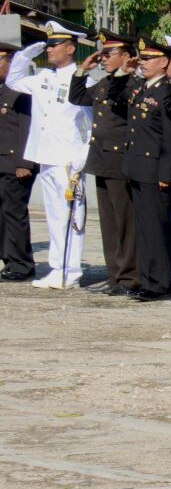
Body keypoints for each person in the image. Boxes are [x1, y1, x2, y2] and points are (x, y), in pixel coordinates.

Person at [6, 22, 92, 289]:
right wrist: (25, 55)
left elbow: (90, 124)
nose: (50, 49)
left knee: (71, 216)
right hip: (46, 154)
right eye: (49, 45)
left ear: (70, 48)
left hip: (68, 156)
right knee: (54, 215)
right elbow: (14, 80)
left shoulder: (82, 80)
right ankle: (57, 267)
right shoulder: (44, 77)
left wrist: (82, 156)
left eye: (55, 45)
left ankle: (71, 270)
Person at [70, 30, 138, 296]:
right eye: (103, 54)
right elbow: (76, 97)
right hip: (100, 159)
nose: (104, 59)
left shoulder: (131, 84)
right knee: (109, 224)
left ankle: (130, 276)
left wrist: (121, 75)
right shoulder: (104, 83)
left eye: (110, 54)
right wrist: (81, 71)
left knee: (125, 223)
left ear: (126, 57)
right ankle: (115, 274)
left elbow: (121, 98)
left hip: (120, 160)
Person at [122, 38, 171, 301]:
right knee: (144, 228)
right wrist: (128, 70)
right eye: (142, 59)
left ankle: (159, 282)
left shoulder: (166, 91)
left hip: (155, 170)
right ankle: (148, 278)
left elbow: (169, 137)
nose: (142, 64)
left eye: (148, 60)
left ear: (164, 62)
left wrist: (166, 174)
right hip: (138, 167)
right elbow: (116, 92)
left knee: (156, 228)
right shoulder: (142, 87)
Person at [0, 43, 35, 282]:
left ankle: (21, 263)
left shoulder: (20, 91)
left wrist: (25, 162)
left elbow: (28, 127)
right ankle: (8, 259)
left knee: (14, 214)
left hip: (15, 163)